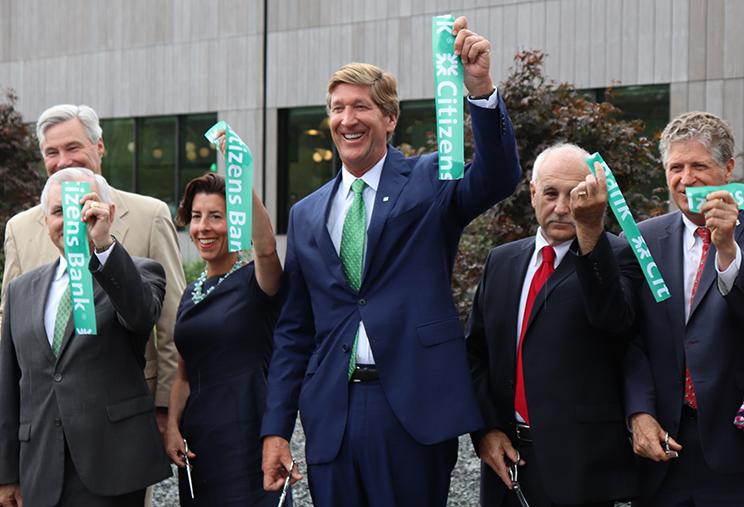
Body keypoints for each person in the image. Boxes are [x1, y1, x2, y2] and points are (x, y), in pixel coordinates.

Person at [260, 16, 522, 507]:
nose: (347, 119)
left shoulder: (430, 178)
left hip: (412, 411)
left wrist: (481, 89)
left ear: (390, 118)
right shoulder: (305, 213)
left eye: (361, 106)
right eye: (337, 108)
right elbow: (294, 330)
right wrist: (276, 429)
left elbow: (498, 178)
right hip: (331, 416)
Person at [0, 104, 184, 435]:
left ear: (99, 147)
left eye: (73, 147)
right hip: (45, 413)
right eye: (51, 152)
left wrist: (166, 407)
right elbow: (8, 309)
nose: (63, 160)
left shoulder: (147, 216)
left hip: (125, 413)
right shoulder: (21, 227)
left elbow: (171, 321)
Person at [466, 144, 640, 507]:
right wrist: (485, 430)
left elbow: (613, 321)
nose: (562, 207)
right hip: (507, 463)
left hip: (581, 470)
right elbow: (475, 353)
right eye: (550, 193)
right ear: (532, 194)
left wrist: (590, 231)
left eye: (576, 195)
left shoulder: (616, 254)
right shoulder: (502, 260)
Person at [0, 167, 171, 506]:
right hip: (42, 468)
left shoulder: (140, 272)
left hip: (112, 465)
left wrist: (104, 245)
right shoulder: (21, 291)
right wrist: (6, 473)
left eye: (83, 207)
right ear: (45, 219)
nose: (72, 220)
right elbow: (11, 387)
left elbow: (140, 316)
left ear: (108, 212)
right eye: (60, 212)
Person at [623, 111, 744, 505]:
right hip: (661, 451)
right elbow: (629, 336)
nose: (686, 179)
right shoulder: (643, 239)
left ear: (728, 168)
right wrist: (638, 413)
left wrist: (727, 249)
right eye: (676, 167)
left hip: (734, 450)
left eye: (699, 166)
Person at [163, 166, 284, 506]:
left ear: (238, 222)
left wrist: (243, 179)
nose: (204, 227)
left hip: (248, 434)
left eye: (216, 216)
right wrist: (172, 425)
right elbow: (183, 376)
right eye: (198, 216)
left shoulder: (257, 281)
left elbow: (267, 250)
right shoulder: (190, 293)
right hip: (200, 441)